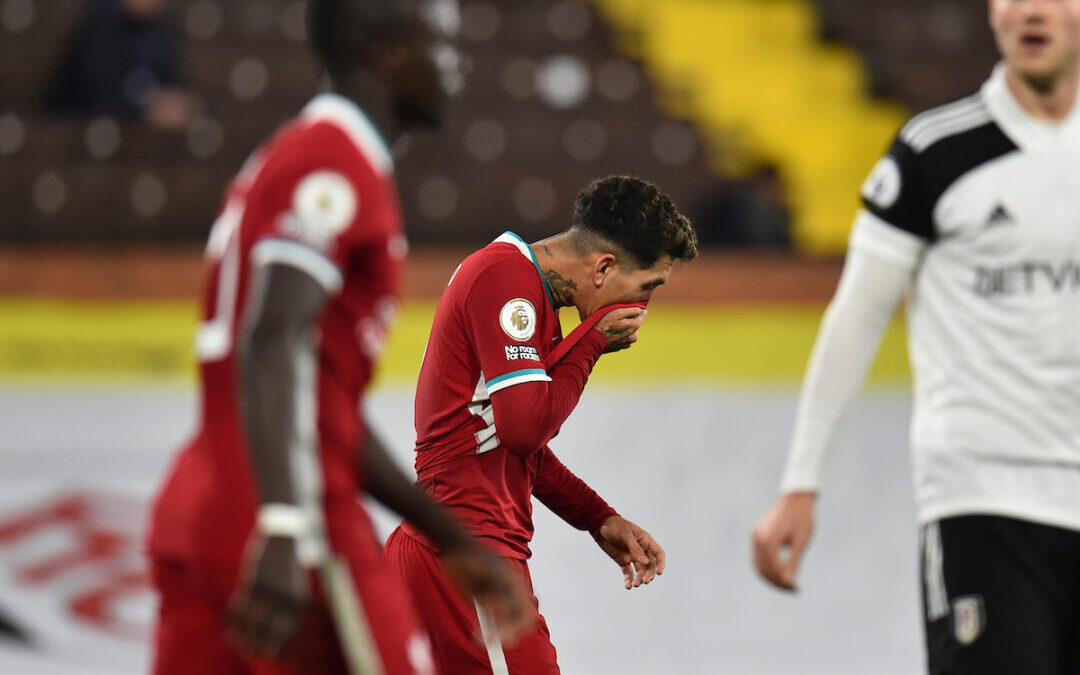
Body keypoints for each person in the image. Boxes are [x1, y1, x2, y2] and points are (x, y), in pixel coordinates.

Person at [146, 1, 531, 674]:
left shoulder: (300, 154)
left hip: (213, 503)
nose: (455, 63)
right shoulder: (335, 163)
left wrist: (450, 535)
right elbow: (273, 338)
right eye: (438, 43)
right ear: (386, 54)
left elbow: (325, 407)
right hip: (295, 519)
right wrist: (283, 524)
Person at [752, 1, 1080, 673]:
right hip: (983, 501)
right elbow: (859, 312)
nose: (1034, 11)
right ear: (993, 12)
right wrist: (800, 482)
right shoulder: (934, 152)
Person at [384, 175, 697, 674]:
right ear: (603, 267)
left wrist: (597, 517)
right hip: (465, 559)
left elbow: (509, 446)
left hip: (447, 554)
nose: (642, 309)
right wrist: (589, 343)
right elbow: (524, 430)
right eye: (646, 288)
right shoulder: (506, 281)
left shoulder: (526, 293)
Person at [43, 0, 197, 129]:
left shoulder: (160, 30)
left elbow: (169, 82)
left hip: (133, 132)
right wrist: (145, 108)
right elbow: (102, 93)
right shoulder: (99, 22)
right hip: (78, 127)